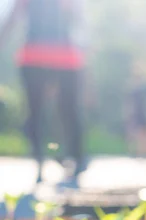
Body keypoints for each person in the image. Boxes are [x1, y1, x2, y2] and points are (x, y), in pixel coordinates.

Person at [0, 0, 87, 184]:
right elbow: (78, 18)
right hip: (62, 55)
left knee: (36, 111)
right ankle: (73, 158)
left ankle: (43, 159)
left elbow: (12, 19)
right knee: (67, 110)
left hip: (36, 54)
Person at [126, 70, 146, 157]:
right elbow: (130, 104)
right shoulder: (133, 92)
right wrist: (130, 114)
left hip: (144, 114)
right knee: (136, 134)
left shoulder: (145, 91)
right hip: (136, 114)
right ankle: (138, 152)